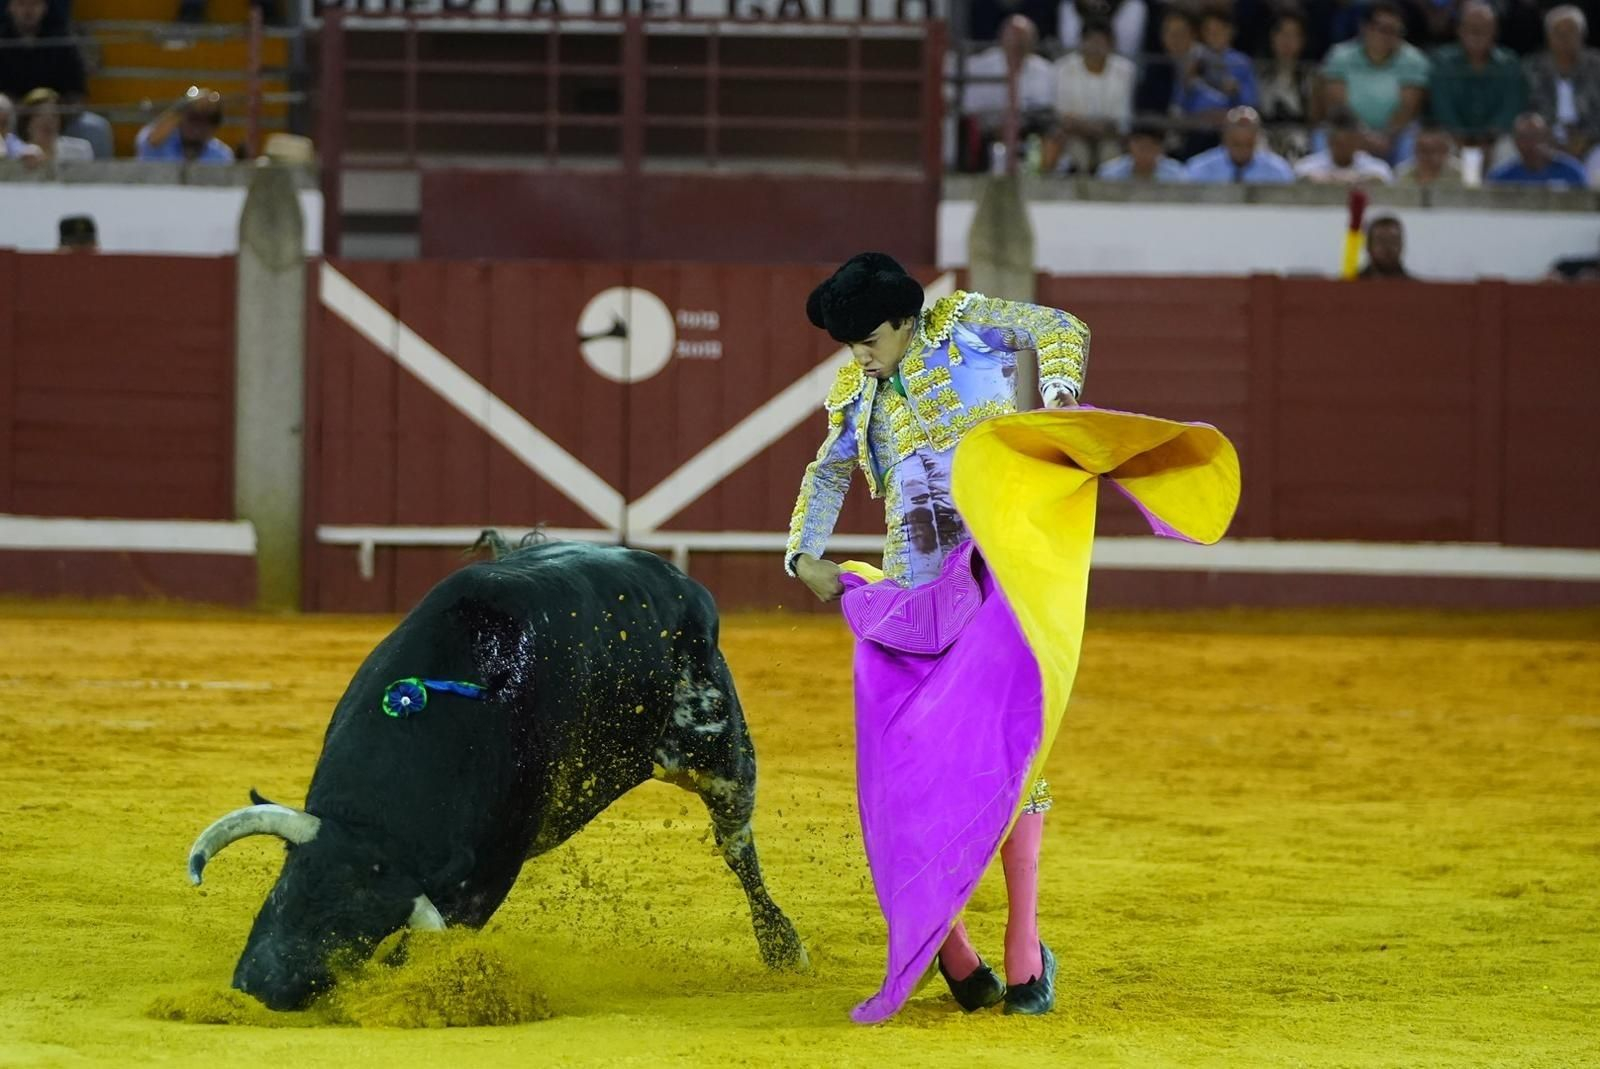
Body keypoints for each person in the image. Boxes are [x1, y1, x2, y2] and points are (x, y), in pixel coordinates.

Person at [787, 253, 1088, 1018]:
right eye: (850, 344)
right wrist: (801, 555)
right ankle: (953, 948)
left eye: (869, 339)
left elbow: (1060, 330)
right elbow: (828, 471)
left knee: (1012, 749)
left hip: (998, 572)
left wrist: (1054, 409)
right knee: (917, 761)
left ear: (905, 319)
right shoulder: (856, 387)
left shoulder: (970, 326)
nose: (859, 355)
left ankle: (1024, 950)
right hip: (918, 587)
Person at [1321, 0, 1430, 162]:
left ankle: (1403, 186)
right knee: (1322, 135)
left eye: (1396, 31)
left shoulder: (1414, 60)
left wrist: (1384, 137)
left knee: (1412, 140)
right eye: (1383, 29)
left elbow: (1408, 107)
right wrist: (1363, 137)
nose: (1389, 36)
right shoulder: (1340, 56)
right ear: (1364, 28)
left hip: (1396, 135)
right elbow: (1338, 105)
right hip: (1350, 129)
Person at [0, 0, 110, 157]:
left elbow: (77, 92)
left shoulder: (63, 41)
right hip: (13, 119)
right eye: (22, 4)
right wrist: (23, 112)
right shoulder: (2, 40)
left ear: (44, 7)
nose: (28, 11)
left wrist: (55, 114)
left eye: (34, 4)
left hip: (57, 117)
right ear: (10, 7)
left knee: (97, 128)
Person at [1428, 1, 1526, 152]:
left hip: (1497, 138)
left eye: (1484, 28)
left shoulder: (1509, 63)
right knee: (1439, 147)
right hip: (1452, 136)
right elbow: (1442, 107)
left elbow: (1511, 107)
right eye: (1471, 27)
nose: (1476, 33)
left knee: (1509, 150)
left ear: (1495, 31)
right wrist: (1459, 137)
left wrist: (1489, 138)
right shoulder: (1442, 62)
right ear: (1459, 30)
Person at [1046, 17, 1136, 174]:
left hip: (1110, 137)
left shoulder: (1126, 71)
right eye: (1091, 41)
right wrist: (1088, 127)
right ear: (1081, 42)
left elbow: (1122, 118)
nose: (1095, 47)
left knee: (1111, 157)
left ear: (1111, 44)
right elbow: (1063, 116)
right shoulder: (1063, 68)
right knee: (1078, 155)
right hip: (1074, 136)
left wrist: (1099, 129)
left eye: (1101, 42)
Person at [1525, 6, 1600, 166]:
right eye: (1558, 33)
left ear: (1582, 36)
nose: (1565, 39)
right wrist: (1547, 139)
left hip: (1591, 141)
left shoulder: (1596, 67)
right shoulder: (1533, 68)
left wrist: (1586, 139)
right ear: (1548, 37)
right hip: (1543, 141)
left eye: (1571, 32)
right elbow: (1528, 110)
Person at [1183, 104, 1297, 182]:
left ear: (1257, 139)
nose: (1242, 150)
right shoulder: (1199, 170)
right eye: (1236, 143)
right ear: (1224, 138)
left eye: (1248, 144)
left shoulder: (1278, 171)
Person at [1259, 11, 1318, 157]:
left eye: (1294, 35)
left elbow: (1314, 120)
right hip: (1263, 138)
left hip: (1300, 139)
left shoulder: (1311, 75)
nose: (1287, 41)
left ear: (1302, 40)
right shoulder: (1257, 72)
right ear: (1272, 37)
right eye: (1282, 33)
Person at [134, 85, 235, 163]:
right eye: (193, 118)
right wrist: (187, 104)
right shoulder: (161, 144)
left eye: (209, 120)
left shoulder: (221, 155)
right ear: (180, 119)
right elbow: (150, 142)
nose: (199, 126)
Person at [1485, 111, 1590, 185]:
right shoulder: (1501, 178)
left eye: (1537, 136)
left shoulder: (1572, 172)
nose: (1532, 143)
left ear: (1547, 137)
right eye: (1525, 137)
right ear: (1516, 142)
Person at [1295, 107, 1397, 182]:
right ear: (1329, 140)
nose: (1343, 147)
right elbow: (1301, 173)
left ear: (1357, 140)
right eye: (1338, 143)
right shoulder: (1308, 165)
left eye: (1349, 142)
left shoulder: (1376, 166)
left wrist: (1352, 178)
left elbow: (1382, 175)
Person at [14, 86, 92, 164]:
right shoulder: (15, 154)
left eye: (54, 114)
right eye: (39, 114)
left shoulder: (80, 151)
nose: (48, 120)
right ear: (26, 123)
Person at [1096, 120, 1187, 179]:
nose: (1145, 153)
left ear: (1160, 148)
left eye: (1150, 147)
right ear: (1130, 145)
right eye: (1141, 147)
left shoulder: (1177, 175)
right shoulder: (1109, 173)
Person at [1395, 124, 1466, 185]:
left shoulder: (1462, 173)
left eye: (1432, 150)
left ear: (1445, 151)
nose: (1426, 156)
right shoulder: (1403, 173)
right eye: (1422, 150)